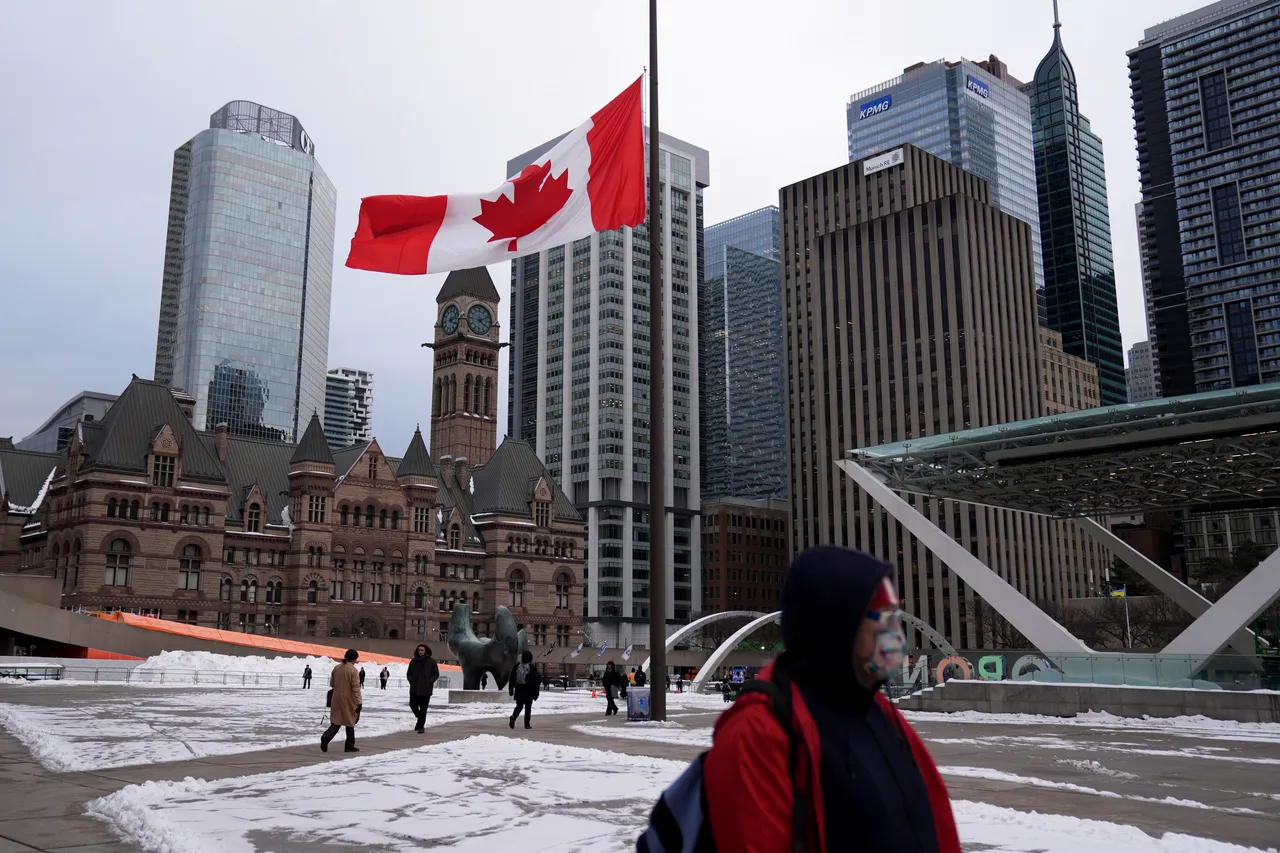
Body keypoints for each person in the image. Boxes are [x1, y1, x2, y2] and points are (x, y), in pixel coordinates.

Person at [701, 545, 960, 852]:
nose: (897, 635)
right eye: (884, 619)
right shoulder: (758, 732)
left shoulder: (881, 714)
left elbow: (935, 820)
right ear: (839, 627)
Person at [321, 649, 363, 753]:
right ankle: (349, 745)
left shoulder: (337, 667)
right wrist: (359, 702)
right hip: (348, 699)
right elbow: (356, 688)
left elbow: (332, 683)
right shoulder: (353, 670)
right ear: (354, 659)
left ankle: (326, 737)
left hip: (336, 697)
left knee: (337, 721)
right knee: (350, 721)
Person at [406, 644, 439, 733]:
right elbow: (409, 673)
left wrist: (430, 681)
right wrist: (411, 680)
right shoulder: (413, 661)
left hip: (426, 689)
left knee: (423, 708)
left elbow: (436, 674)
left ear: (425, 651)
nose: (420, 652)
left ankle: (421, 726)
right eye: (419, 650)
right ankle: (420, 718)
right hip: (414, 688)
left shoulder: (431, 662)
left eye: (422, 650)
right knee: (412, 705)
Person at [508, 650, 539, 729]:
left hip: (519, 689)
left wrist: (511, 689)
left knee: (519, 706)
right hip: (529, 690)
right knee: (528, 708)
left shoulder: (517, 666)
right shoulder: (531, 667)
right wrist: (536, 693)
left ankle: (514, 716)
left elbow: (512, 678)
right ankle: (527, 724)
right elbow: (536, 681)